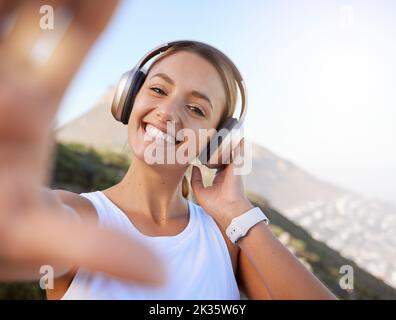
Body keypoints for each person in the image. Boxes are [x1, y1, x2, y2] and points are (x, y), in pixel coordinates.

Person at [0, 2, 336, 300]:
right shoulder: (75, 214)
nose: (168, 113)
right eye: (159, 89)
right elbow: (27, 222)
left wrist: (237, 212)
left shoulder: (227, 237)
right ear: (129, 99)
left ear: (216, 140)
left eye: (196, 108)